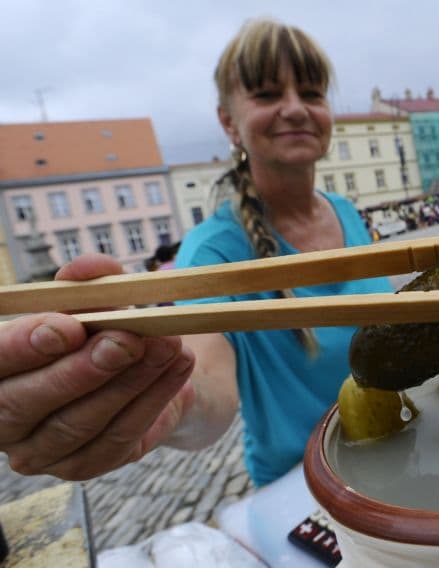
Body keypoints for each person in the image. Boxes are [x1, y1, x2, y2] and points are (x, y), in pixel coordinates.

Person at [0, 18, 392, 488]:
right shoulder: (211, 253)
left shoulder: (346, 209)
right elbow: (206, 385)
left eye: (311, 93)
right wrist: (167, 401)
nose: (294, 109)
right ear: (229, 122)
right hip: (305, 490)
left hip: (393, 448)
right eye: (267, 95)